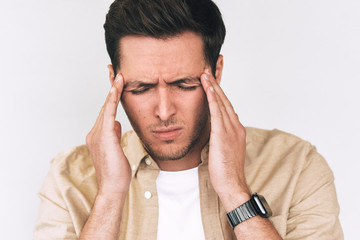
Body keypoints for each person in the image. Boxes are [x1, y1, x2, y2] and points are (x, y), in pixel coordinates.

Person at [34, 0, 343, 239]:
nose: (164, 111)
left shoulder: (296, 165)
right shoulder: (69, 178)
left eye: (184, 85)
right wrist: (110, 196)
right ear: (114, 81)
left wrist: (236, 193)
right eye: (141, 88)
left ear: (216, 73)